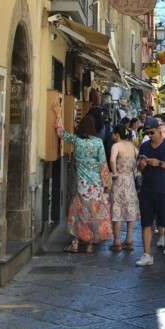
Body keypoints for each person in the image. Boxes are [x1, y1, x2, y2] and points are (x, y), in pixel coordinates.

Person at [50, 102, 113, 254]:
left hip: (81, 185)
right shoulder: (98, 143)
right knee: (93, 213)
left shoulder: (77, 141)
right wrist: (107, 183)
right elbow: (103, 164)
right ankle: (90, 244)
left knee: (77, 213)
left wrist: (58, 115)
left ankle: (76, 243)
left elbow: (61, 133)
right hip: (96, 185)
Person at [135, 122, 165, 266]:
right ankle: (147, 254)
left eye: (152, 132)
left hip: (163, 189)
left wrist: (159, 163)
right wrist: (141, 166)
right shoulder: (144, 146)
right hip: (147, 190)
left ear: (160, 131)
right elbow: (139, 168)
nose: (149, 135)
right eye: (147, 133)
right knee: (146, 223)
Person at [107, 124, 139, 251]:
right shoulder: (132, 146)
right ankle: (129, 239)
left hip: (119, 180)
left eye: (113, 133)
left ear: (117, 134)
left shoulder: (116, 146)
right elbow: (139, 157)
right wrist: (135, 172)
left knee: (117, 210)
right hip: (130, 180)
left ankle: (117, 241)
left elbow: (112, 160)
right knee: (130, 209)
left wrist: (114, 173)